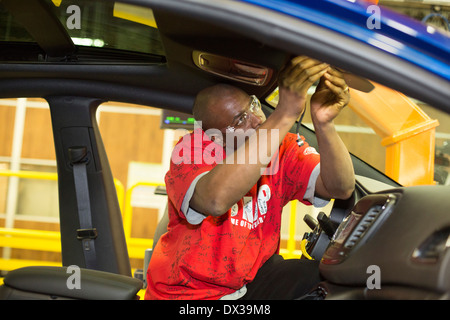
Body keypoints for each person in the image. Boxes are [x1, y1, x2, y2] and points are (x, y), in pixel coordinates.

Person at [145, 56, 355, 300]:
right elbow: (215, 200)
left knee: (319, 280)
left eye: (253, 105)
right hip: (189, 294)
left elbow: (340, 187)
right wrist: (285, 112)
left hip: (250, 283)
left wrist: (324, 122)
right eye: (240, 120)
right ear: (215, 137)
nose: (256, 119)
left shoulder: (281, 147)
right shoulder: (191, 149)